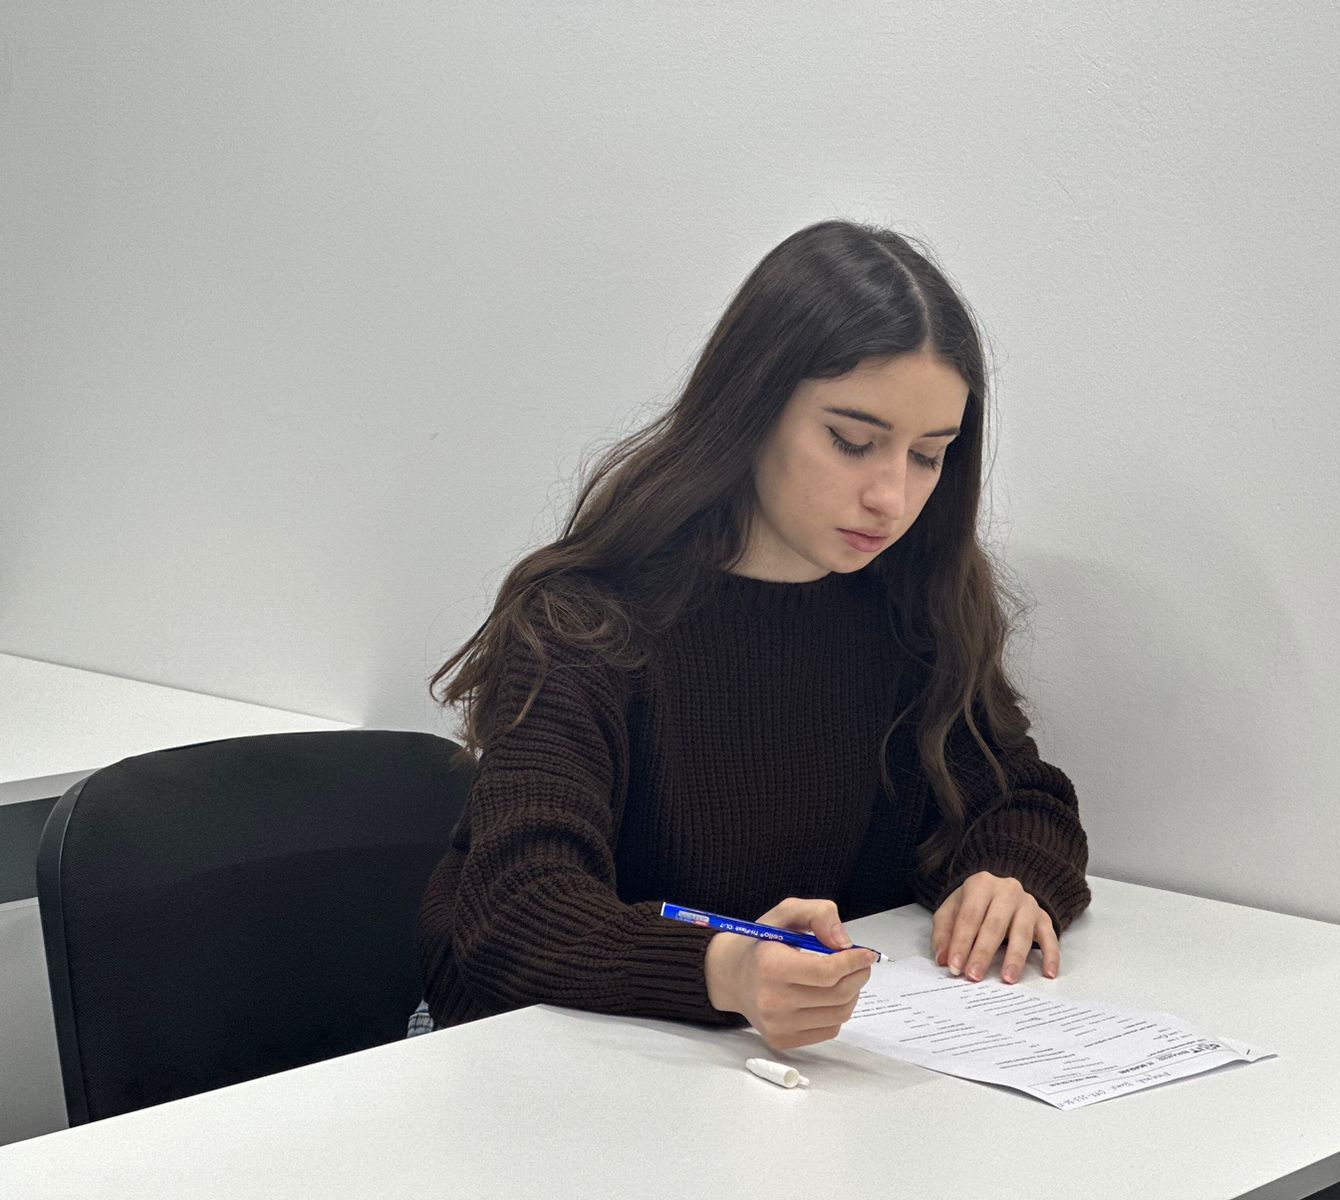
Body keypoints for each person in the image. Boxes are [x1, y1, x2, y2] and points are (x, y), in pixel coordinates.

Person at [414, 219, 1090, 1051]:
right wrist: (726, 970)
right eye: (853, 442)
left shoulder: (913, 606)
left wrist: (1007, 880)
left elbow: (1019, 796)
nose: (891, 496)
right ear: (752, 409)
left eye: (928, 454)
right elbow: (517, 909)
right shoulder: (582, 625)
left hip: (778, 1077)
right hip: (539, 1064)